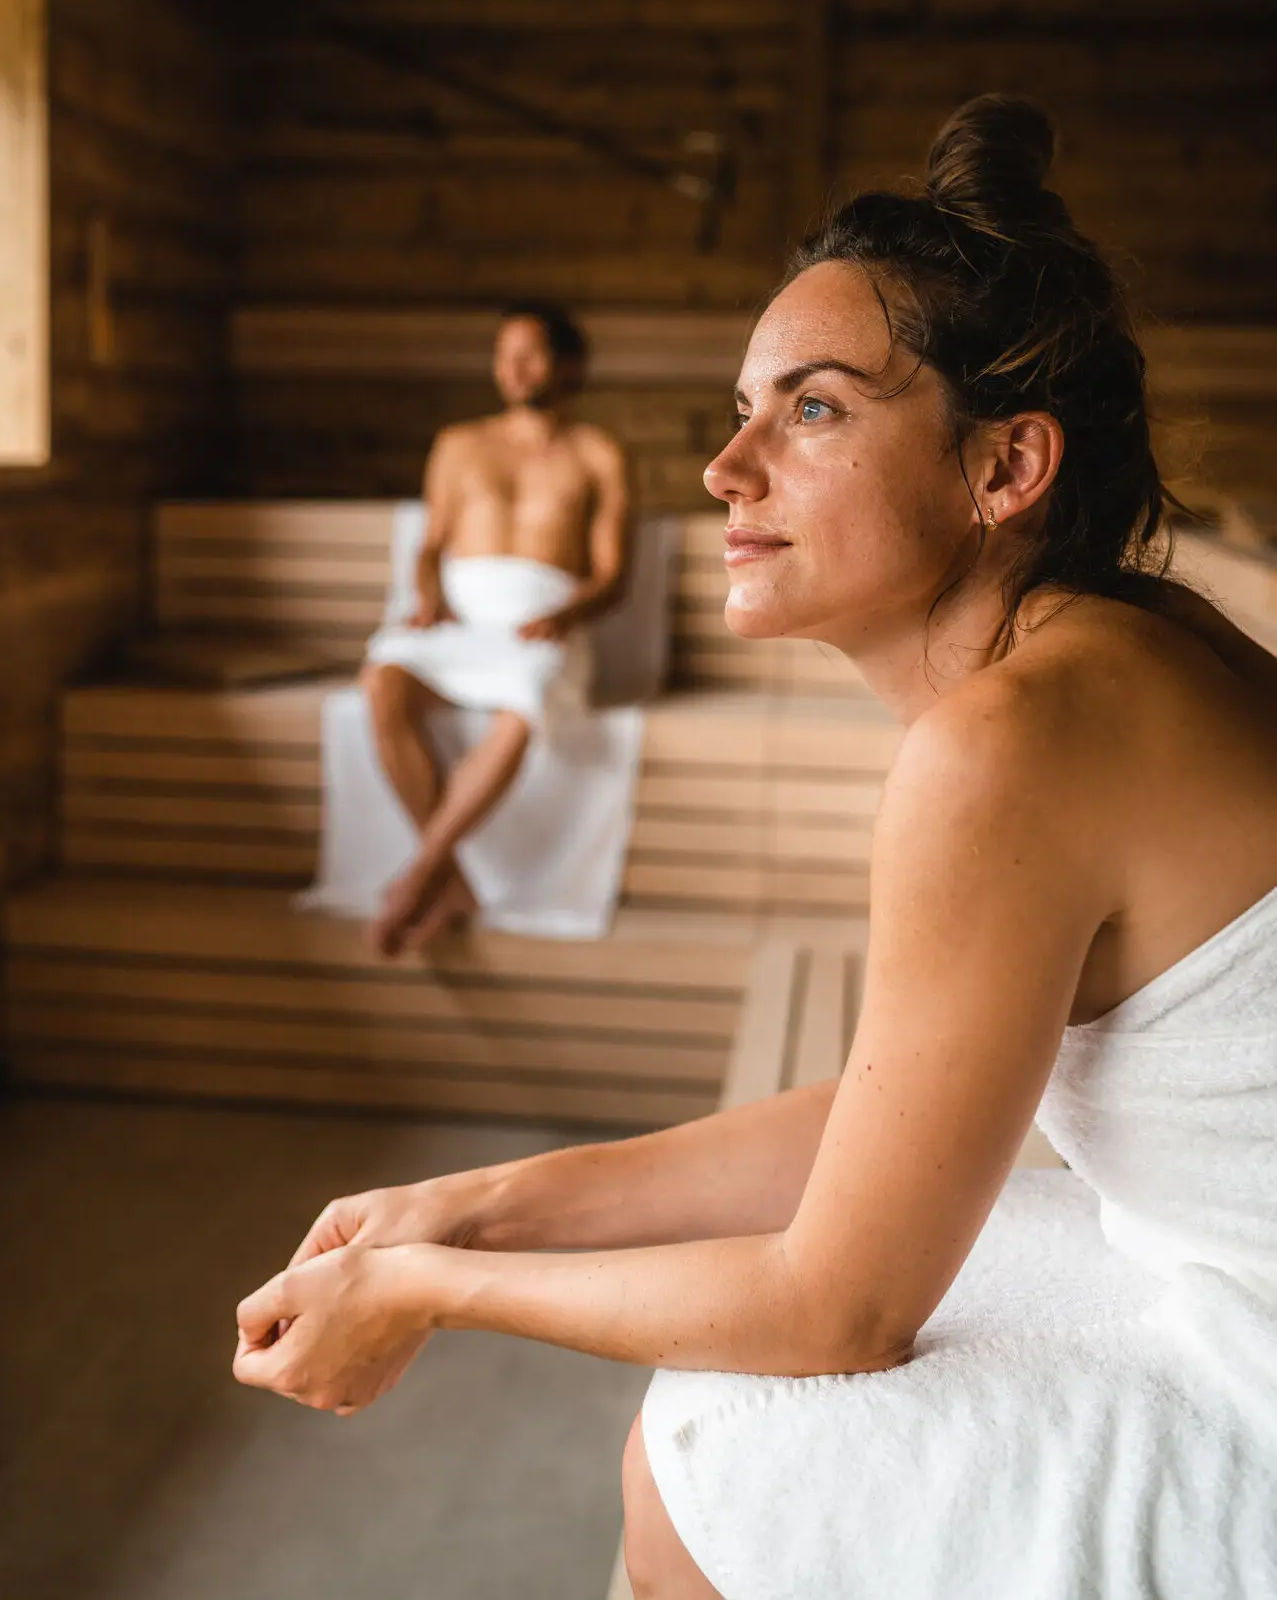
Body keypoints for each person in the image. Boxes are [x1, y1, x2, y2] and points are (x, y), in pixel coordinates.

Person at [233, 98, 1277, 1598]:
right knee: (711, 1428)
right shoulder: (1116, 646)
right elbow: (882, 1119)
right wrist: (470, 1199)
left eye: (813, 409)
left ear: (1005, 469)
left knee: (711, 1453)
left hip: (1245, 1344)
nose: (727, 471)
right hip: (1212, 1258)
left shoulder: (1009, 745)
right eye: (740, 408)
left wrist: (428, 1288)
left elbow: (837, 1307)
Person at [359, 302, 630, 954]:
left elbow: (612, 576)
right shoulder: (458, 444)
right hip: (457, 615)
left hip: (542, 620)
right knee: (382, 680)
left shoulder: (597, 453)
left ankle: (419, 874)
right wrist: (427, 597)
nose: (513, 369)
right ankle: (446, 877)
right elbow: (429, 547)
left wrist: (564, 615)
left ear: (568, 366)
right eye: (504, 354)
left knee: (524, 699)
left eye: (531, 354)